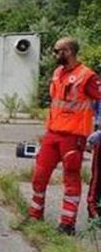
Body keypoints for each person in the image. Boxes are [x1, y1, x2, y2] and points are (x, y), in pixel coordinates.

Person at [28, 37, 101, 235]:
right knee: (39, 176)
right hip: (52, 134)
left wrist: (98, 130)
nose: (54, 54)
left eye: (56, 50)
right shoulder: (57, 73)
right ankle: (35, 215)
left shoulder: (87, 76)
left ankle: (67, 224)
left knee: (71, 179)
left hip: (73, 136)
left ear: (68, 51)